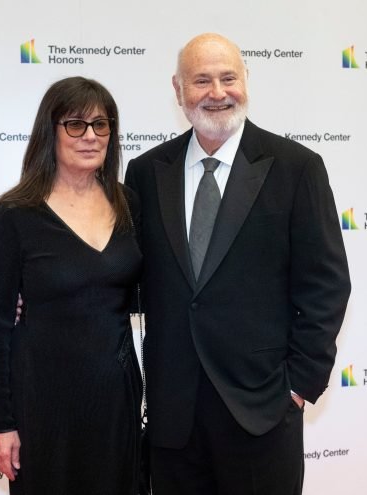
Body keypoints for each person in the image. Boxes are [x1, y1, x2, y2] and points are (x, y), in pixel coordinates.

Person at [124, 33, 351, 494]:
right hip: (174, 420)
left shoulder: (296, 168)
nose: (217, 92)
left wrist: (297, 387)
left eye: (228, 78)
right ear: (178, 89)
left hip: (262, 415)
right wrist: (47, 297)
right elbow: (131, 277)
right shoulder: (146, 173)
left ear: (246, 80)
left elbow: (326, 286)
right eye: (201, 80)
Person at [0, 76, 141, 495]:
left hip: (115, 396)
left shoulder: (129, 203)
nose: (90, 136)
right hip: (42, 402)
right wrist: (2, 422)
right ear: (49, 131)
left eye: (101, 125)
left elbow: (138, 292)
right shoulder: (16, 214)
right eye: (75, 124)